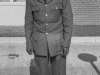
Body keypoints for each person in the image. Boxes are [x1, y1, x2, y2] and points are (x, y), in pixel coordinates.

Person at [24, 0, 73, 75]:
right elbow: (28, 23)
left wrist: (66, 44)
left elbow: (68, 22)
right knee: (41, 72)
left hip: (58, 43)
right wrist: (29, 43)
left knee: (59, 72)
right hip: (39, 43)